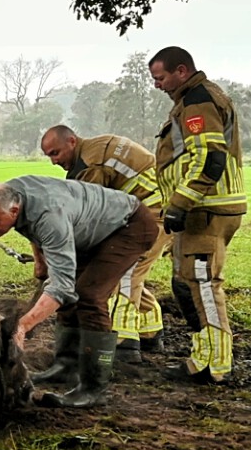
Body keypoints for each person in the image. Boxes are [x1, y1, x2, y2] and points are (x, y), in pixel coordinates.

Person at [0, 177, 161, 409]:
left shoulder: (49, 216)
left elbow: (61, 286)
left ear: (13, 209)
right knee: (67, 293)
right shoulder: (9, 193)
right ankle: (66, 366)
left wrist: (24, 325)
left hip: (128, 227)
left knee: (89, 295)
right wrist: (41, 262)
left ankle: (93, 388)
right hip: (86, 229)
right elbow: (32, 229)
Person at [150, 46, 247, 383]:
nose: (158, 85)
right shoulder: (192, 100)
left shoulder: (198, 102)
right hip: (202, 208)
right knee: (188, 284)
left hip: (206, 209)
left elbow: (210, 159)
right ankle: (201, 358)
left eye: (160, 78)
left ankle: (217, 368)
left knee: (204, 285)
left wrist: (180, 202)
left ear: (181, 71)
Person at [40, 124, 166, 354]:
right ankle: (150, 330)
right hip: (148, 210)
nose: (53, 162)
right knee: (124, 272)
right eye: (48, 156)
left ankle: (122, 340)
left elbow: (89, 215)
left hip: (153, 213)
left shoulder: (91, 165)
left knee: (123, 272)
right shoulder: (95, 148)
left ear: (72, 142)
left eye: (55, 153)